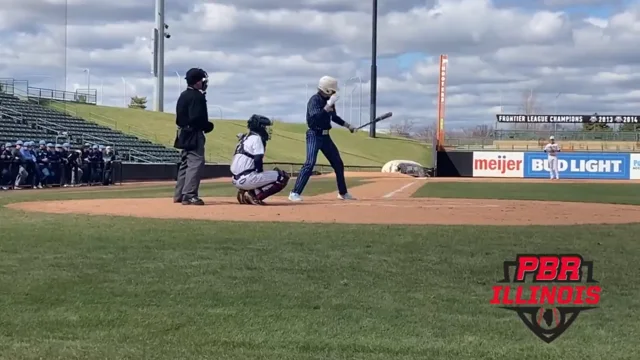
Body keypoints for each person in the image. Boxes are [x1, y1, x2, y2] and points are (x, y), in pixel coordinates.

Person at [288, 75, 357, 202]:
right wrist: (328, 105)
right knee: (310, 163)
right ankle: (294, 192)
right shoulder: (314, 100)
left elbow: (334, 117)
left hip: (325, 136)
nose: (335, 93)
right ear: (327, 90)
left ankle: (343, 193)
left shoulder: (329, 101)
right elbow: (315, 118)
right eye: (333, 90)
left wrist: (348, 125)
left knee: (338, 163)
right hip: (314, 134)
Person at [173, 67, 214, 205]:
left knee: (185, 163)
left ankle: (179, 194)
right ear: (197, 82)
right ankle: (189, 194)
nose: (203, 83)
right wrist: (208, 126)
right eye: (202, 80)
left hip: (183, 133)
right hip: (194, 133)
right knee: (195, 162)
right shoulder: (197, 96)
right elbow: (197, 118)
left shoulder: (183, 95)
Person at [230, 114, 290, 205]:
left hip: (235, 179)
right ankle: (254, 196)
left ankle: (245, 192)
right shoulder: (256, 138)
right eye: (265, 127)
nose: (266, 129)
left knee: (266, 174)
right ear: (260, 127)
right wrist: (259, 172)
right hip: (246, 178)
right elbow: (258, 159)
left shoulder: (245, 138)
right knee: (282, 177)